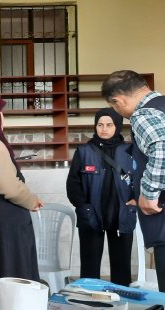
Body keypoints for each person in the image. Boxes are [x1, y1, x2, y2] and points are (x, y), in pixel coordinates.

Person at [102, 70, 165, 290]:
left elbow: (162, 147)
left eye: (115, 108)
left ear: (118, 101)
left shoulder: (143, 114)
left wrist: (149, 194)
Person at [0, 91, 42, 302]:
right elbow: (10, 188)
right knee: (14, 281)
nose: (2, 116)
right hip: (7, 226)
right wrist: (32, 200)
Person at [66, 108, 136, 286]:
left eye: (109, 125)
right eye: (100, 124)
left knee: (122, 270)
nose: (104, 129)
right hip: (91, 216)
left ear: (118, 126)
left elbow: (140, 178)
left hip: (121, 215)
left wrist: (135, 199)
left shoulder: (130, 150)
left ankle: (122, 302)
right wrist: (83, 206)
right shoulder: (83, 151)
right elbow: (73, 184)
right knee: (89, 271)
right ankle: (90, 303)